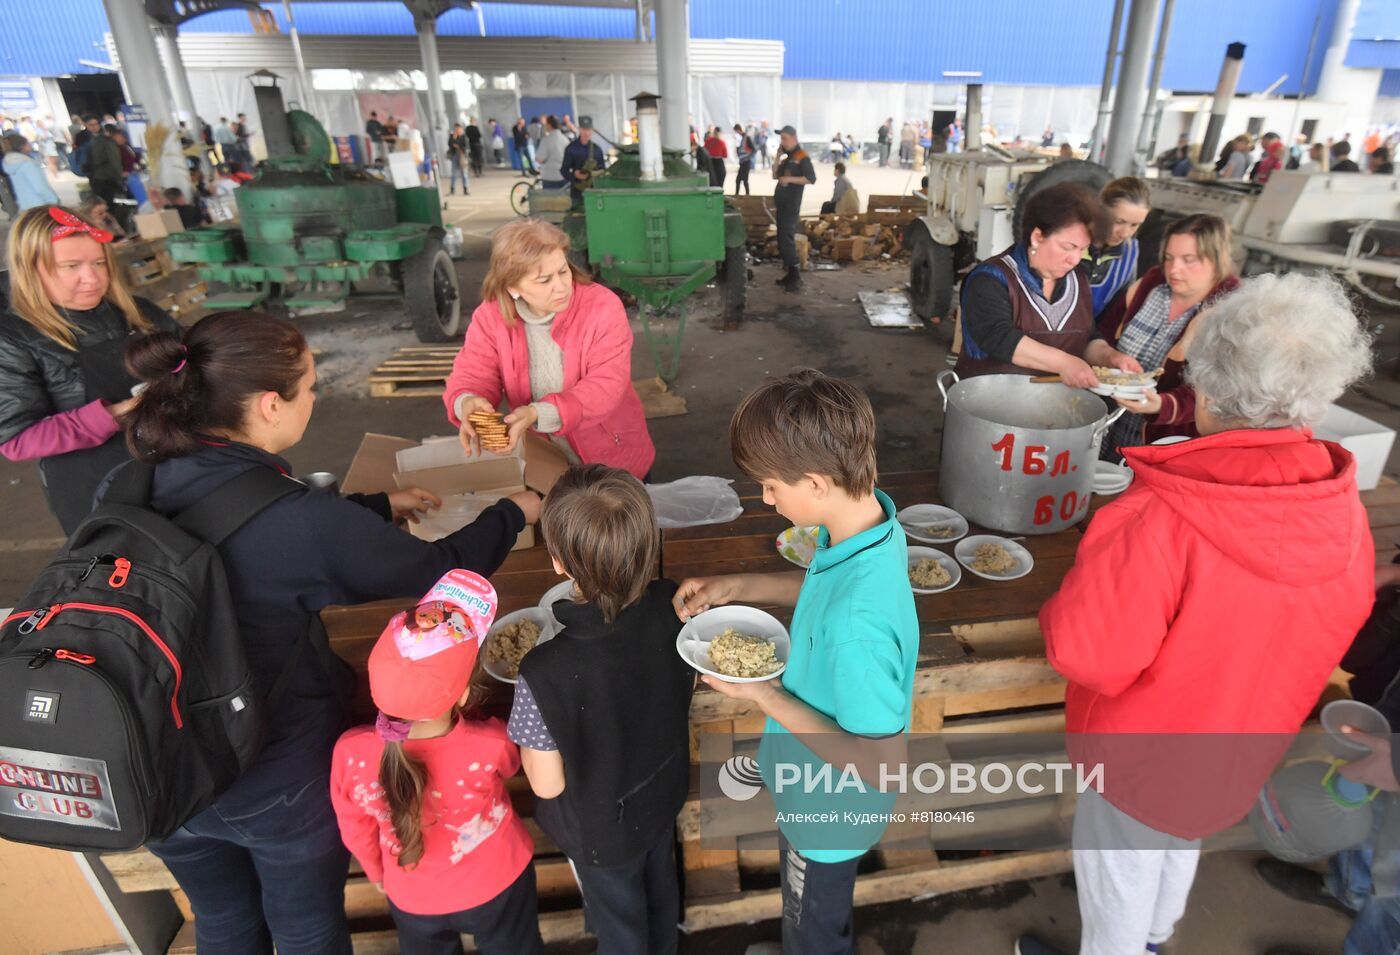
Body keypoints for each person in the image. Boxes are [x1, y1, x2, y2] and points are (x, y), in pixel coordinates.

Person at [115, 308, 539, 955]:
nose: (315, 398)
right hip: (269, 772)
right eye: (310, 387)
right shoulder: (300, 520)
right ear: (268, 404)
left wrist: (366, 509)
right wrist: (515, 510)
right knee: (306, 926)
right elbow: (435, 568)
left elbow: (242, 526)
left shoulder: (129, 479)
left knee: (223, 921)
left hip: (155, 766)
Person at [1015, 271, 1375, 955]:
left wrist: (1071, 594)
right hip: (1241, 745)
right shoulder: (1341, 505)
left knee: (1118, 872)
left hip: (1141, 757)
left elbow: (1088, 654)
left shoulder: (1160, 515)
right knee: (1183, 837)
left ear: (1204, 389)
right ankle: (1154, 939)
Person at [673, 369, 920, 955]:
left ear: (813, 481)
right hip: (811, 781)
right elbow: (820, 588)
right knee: (808, 910)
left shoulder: (855, 629)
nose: (764, 499)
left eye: (768, 487)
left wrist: (763, 694)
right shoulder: (868, 524)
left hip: (830, 810)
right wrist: (740, 583)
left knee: (811, 920)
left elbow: (884, 767)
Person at [512, 465, 693, 955]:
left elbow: (547, 784)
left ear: (557, 562)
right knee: (660, 898)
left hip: (603, 832)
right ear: (648, 547)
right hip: (662, 793)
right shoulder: (671, 607)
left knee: (621, 931)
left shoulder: (540, 671)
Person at [332, 580, 542, 955]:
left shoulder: (350, 754)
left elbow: (355, 829)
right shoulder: (491, 742)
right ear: (463, 696)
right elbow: (513, 766)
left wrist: (379, 875)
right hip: (499, 882)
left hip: (413, 897)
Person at [0, 206, 176, 533]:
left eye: (98, 263)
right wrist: (119, 413)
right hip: (96, 490)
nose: (92, 278)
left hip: (169, 465)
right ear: (31, 268)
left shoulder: (136, 313)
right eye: (71, 266)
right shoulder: (12, 338)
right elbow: (18, 438)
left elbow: (186, 355)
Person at [445, 219, 654, 478]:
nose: (561, 286)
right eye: (544, 280)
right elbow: (472, 374)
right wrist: (467, 402)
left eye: (563, 271)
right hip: (545, 460)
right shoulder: (490, 317)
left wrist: (537, 413)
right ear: (512, 287)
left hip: (611, 453)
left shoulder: (602, 307)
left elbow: (606, 384)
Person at [956, 182, 1140, 384]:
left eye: (1082, 249)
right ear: (1037, 237)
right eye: (1068, 247)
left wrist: (1110, 357)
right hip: (987, 406)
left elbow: (1086, 337)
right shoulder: (992, 279)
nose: (1075, 259)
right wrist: (1064, 363)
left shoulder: (1077, 280)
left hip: (1056, 407)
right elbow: (998, 336)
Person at [1097, 213, 1240, 459]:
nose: (1174, 269)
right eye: (1169, 258)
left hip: (1167, 448)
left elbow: (1220, 391)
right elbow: (1103, 333)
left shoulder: (1230, 312)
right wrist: (1110, 357)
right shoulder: (1150, 286)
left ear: (1217, 260)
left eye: (1189, 260)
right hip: (1110, 431)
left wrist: (1160, 406)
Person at [1081, 176, 1149, 319]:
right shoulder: (1071, 243)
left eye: (1134, 225)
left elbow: (1118, 307)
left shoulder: (1130, 253)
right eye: (1118, 221)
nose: (1125, 233)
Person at [772, 125, 816, 292]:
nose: (782, 141)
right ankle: (790, 273)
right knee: (782, 239)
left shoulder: (801, 156)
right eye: (781, 138)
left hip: (791, 204)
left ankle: (795, 275)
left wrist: (790, 179)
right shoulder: (788, 157)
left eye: (785, 138)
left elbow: (811, 178)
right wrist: (777, 155)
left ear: (794, 138)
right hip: (782, 204)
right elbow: (775, 175)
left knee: (787, 239)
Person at [85, 125, 128, 229]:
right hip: (107, 179)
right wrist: (120, 177)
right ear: (116, 136)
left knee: (104, 204)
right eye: (122, 137)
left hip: (97, 178)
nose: (124, 140)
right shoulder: (110, 144)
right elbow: (115, 163)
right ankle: (114, 229)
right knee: (110, 206)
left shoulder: (98, 141)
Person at [559, 116, 606, 207]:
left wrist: (593, 174)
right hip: (577, 192)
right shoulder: (571, 148)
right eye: (584, 129)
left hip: (594, 192)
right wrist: (575, 175)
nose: (587, 133)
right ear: (579, 129)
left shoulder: (597, 149)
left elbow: (603, 170)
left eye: (589, 129)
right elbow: (564, 170)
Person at [2, 133, 58, 209]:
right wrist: (53, 202)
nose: (30, 144)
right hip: (42, 206)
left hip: (26, 206)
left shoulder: (10, 163)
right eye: (27, 143)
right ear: (22, 146)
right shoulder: (27, 164)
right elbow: (41, 187)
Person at [534, 115, 567, 191]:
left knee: (550, 201)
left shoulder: (546, 140)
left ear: (549, 125)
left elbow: (540, 159)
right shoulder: (565, 139)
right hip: (564, 177)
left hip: (550, 178)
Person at [446, 123, 469, 195]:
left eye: (458, 129)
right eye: (456, 129)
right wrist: (454, 138)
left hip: (462, 156)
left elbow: (465, 146)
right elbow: (450, 144)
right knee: (454, 174)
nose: (457, 130)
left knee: (464, 174)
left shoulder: (463, 137)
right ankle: (452, 189)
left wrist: (458, 146)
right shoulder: (452, 136)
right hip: (454, 156)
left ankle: (465, 189)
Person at [733, 123, 755, 196]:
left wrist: (748, 157)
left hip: (746, 162)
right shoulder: (743, 138)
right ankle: (737, 194)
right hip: (742, 162)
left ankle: (747, 195)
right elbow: (743, 149)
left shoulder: (747, 138)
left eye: (736, 131)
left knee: (744, 180)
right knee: (738, 180)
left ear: (738, 130)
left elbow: (754, 149)